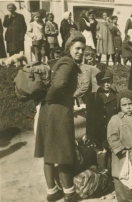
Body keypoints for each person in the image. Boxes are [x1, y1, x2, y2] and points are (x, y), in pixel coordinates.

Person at [34, 31, 86, 202]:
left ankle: (52, 191)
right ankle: (70, 193)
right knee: (63, 152)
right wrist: (51, 97)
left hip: (47, 111)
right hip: (59, 111)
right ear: (69, 47)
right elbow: (59, 84)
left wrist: (47, 100)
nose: (80, 52)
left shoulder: (60, 62)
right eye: (77, 48)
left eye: (82, 49)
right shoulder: (68, 62)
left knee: (49, 152)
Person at [86, 70, 118, 172]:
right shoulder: (93, 97)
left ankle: (113, 174)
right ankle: (103, 175)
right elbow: (89, 117)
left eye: (108, 81)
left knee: (113, 151)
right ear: (99, 84)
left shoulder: (117, 96)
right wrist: (89, 134)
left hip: (113, 129)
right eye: (103, 82)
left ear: (112, 81)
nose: (106, 84)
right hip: (99, 132)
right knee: (101, 153)